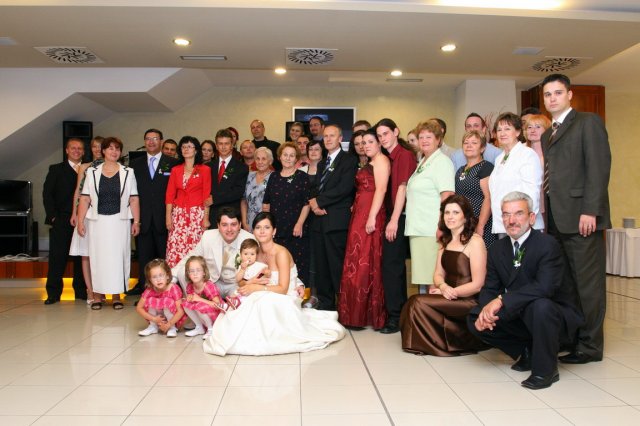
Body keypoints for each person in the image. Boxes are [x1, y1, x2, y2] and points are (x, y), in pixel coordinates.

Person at [468, 191, 583, 389]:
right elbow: (490, 287)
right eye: (506, 214)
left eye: (518, 213)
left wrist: (502, 300)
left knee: (540, 306)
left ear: (531, 217)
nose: (511, 220)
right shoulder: (496, 250)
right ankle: (526, 350)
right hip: (521, 310)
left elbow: (545, 288)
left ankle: (546, 370)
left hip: (552, 315)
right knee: (474, 317)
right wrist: (486, 309)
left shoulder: (548, 245)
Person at [203, 212, 346, 356]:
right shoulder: (253, 253)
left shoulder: (281, 253)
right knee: (242, 300)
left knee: (261, 302)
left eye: (267, 227)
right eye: (258, 227)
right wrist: (251, 283)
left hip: (284, 295)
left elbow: (283, 288)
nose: (262, 231)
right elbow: (242, 281)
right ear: (253, 231)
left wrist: (257, 287)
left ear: (274, 231)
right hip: (264, 291)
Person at [541, 73, 611, 364]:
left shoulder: (587, 122)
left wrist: (590, 210)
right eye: (547, 94)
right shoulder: (547, 134)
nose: (552, 98)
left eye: (558, 92)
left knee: (588, 286)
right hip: (556, 219)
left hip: (582, 217)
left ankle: (591, 346)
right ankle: (572, 338)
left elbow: (598, 168)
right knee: (566, 285)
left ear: (569, 95)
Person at [401, 194, 487, 356]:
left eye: (455, 212)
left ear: (465, 217)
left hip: (468, 300)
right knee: (413, 301)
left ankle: (434, 343)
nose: (450, 217)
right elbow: (438, 274)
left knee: (417, 302)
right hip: (449, 294)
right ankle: (428, 343)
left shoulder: (475, 242)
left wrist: (451, 292)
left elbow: (478, 284)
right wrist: (443, 286)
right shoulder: (445, 240)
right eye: (447, 212)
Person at [77, 137, 140, 310]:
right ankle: (97, 296)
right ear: (103, 151)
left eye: (117, 149)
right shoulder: (92, 172)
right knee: (98, 258)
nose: (114, 151)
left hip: (119, 221)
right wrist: (80, 221)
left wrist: (136, 221)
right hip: (97, 222)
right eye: (110, 148)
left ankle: (116, 296)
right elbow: (85, 199)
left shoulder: (128, 172)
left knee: (118, 258)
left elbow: (134, 199)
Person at [337, 129, 389, 329]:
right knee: (356, 258)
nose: (366, 146)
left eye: (370, 142)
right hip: (360, 212)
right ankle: (354, 313)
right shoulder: (370, 161)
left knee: (365, 259)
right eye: (363, 142)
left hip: (370, 214)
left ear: (379, 143)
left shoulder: (381, 161)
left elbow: (381, 189)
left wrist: (372, 216)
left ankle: (362, 315)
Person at [309, 124, 357, 310]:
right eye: (325, 136)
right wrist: (314, 204)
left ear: (340, 138)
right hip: (319, 221)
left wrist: (319, 202)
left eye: (332, 136)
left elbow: (344, 188)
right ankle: (326, 305)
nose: (328, 139)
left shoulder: (349, 160)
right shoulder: (322, 162)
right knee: (322, 267)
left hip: (336, 222)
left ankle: (344, 307)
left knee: (337, 266)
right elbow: (316, 187)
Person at [375, 118, 417, 334]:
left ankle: (395, 317)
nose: (383, 138)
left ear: (396, 132)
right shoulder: (387, 157)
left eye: (386, 133)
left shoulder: (404, 155)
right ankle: (396, 314)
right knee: (392, 267)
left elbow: (402, 188)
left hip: (398, 216)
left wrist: (394, 220)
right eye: (379, 135)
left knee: (392, 267)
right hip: (390, 215)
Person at [405, 119, 455, 294]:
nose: (424, 140)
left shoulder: (442, 162)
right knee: (425, 279)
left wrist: (441, 226)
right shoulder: (423, 162)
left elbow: (447, 195)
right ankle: (424, 310)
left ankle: (432, 312)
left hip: (431, 230)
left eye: (429, 137)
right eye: (421, 137)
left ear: (438, 140)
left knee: (434, 280)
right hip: (419, 229)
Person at [127, 129, 177, 296]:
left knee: (165, 259)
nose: (151, 142)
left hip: (165, 219)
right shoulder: (135, 164)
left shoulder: (173, 163)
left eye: (155, 139)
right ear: (144, 142)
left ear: (161, 141)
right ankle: (146, 294)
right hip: (143, 219)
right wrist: (135, 219)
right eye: (148, 139)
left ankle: (167, 293)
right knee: (144, 259)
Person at [172, 207, 255, 298]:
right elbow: (191, 257)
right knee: (182, 272)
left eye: (233, 224)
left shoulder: (249, 240)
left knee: (243, 300)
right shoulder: (208, 236)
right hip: (213, 282)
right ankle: (195, 302)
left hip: (236, 284)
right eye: (224, 225)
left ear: (240, 225)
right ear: (218, 226)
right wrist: (173, 278)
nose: (229, 229)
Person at [43, 138, 86, 304]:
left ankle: (81, 291)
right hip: (61, 219)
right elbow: (47, 194)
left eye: (80, 148)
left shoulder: (89, 169)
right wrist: (53, 216)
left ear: (83, 151)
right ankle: (53, 293)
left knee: (81, 257)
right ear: (67, 150)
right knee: (57, 257)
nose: (76, 151)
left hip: (83, 220)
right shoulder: (56, 169)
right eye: (73, 148)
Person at [488, 112, 544, 238]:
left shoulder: (527, 154)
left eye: (507, 129)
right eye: (499, 130)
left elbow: (532, 192)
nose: (502, 133)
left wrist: (525, 220)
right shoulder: (499, 158)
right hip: (503, 224)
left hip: (522, 225)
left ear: (518, 132)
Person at [263, 142, 311, 285]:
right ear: (280, 157)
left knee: (298, 265)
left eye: (292, 155)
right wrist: (267, 226)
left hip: (296, 229)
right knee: (276, 265)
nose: (288, 158)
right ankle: (279, 292)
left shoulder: (302, 176)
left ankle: (301, 294)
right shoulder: (273, 176)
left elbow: (306, 203)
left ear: (296, 158)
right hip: (277, 229)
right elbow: (266, 204)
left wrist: (299, 224)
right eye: (285, 155)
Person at [165, 136, 211, 267]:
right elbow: (170, 195)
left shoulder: (205, 170)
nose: (186, 149)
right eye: (184, 147)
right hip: (178, 215)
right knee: (176, 247)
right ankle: (175, 276)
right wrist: (168, 217)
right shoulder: (176, 170)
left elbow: (206, 196)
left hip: (197, 214)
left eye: (189, 146)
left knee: (195, 248)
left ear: (196, 150)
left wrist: (206, 218)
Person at [69, 136, 104, 304]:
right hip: (86, 212)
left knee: (101, 254)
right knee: (86, 254)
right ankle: (90, 290)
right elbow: (78, 190)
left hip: (103, 214)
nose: (97, 149)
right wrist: (75, 214)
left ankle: (101, 289)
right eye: (94, 146)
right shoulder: (84, 167)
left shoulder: (112, 166)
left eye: (100, 146)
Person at [455, 130, 495, 248]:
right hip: (462, 223)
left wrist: (480, 225)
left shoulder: (486, 167)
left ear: (482, 148)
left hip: (480, 223)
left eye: (474, 143)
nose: (469, 146)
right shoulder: (460, 170)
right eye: (466, 143)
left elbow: (488, 198)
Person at [208, 129, 249, 228]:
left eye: (226, 143)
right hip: (212, 216)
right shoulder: (208, 166)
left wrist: (215, 199)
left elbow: (238, 192)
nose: (223, 147)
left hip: (231, 216)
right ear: (216, 146)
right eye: (220, 144)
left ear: (232, 145)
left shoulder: (241, 167)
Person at [136, 259, 186, 338]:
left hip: (172, 319)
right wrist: (153, 319)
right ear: (150, 280)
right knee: (150, 300)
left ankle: (172, 328)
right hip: (157, 319)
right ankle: (153, 326)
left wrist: (169, 324)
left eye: (161, 275)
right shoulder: (149, 290)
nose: (158, 279)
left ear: (167, 276)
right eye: (154, 277)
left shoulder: (173, 288)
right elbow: (139, 308)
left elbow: (181, 311)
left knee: (167, 301)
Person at [181, 256, 226, 339]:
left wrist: (199, 299)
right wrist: (190, 298)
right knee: (185, 303)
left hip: (216, 314)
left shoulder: (208, 286)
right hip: (204, 316)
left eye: (198, 270)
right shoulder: (190, 286)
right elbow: (192, 301)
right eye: (192, 271)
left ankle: (211, 329)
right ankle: (199, 327)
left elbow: (217, 304)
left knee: (199, 305)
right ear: (188, 274)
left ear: (204, 272)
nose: (195, 273)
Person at [241, 147, 273, 232]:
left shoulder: (275, 177)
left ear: (270, 161)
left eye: (264, 159)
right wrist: (244, 222)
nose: (260, 162)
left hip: (267, 223)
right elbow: (244, 200)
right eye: (257, 159)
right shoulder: (249, 176)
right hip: (249, 223)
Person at [231, 238, 270, 307]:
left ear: (256, 255)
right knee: (234, 294)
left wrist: (267, 273)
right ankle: (232, 303)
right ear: (241, 255)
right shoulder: (241, 267)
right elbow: (237, 279)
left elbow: (267, 273)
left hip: (255, 289)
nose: (249, 257)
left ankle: (239, 302)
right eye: (245, 254)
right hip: (244, 288)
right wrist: (242, 269)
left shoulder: (259, 265)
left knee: (249, 298)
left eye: (252, 254)